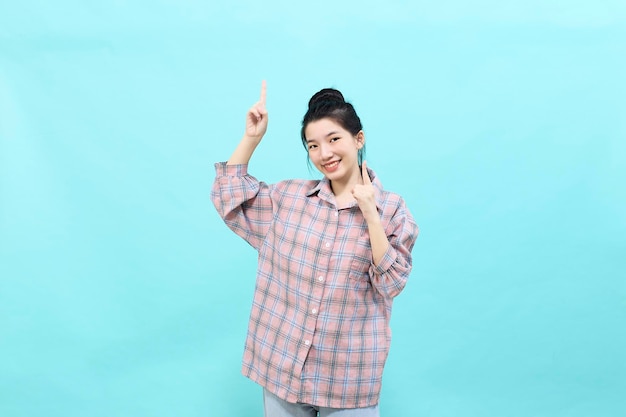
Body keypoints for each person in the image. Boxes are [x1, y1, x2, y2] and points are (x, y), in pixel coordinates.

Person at [211, 81, 418, 417]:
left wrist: (369, 212)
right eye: (313, 145)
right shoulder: (289, 199)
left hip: (348, 382)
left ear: (358, 139)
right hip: (282, 372)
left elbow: (391, 284)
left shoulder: (391, 209)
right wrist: (252, 138)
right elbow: (228, 196)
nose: (325, 153)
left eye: (334, 139)